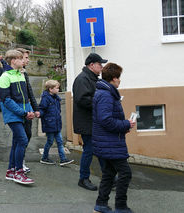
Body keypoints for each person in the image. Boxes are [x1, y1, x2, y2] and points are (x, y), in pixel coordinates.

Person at [92, 63, 135, 213]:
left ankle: (101, 204)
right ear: (114, 78)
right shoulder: (105, 95)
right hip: (109, 142)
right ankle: (121, 206)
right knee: (125, 173)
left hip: (108, 141)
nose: (120, 81)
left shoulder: (104, 92)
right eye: (119, 78)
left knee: (109, 174)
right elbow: (106, 120)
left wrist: (124, 127)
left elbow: (106, 120)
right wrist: (125, 124)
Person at [72, 53, 107, 191]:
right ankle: (83, 178)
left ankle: (108, 176)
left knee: (99, 149)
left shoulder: (91, 78)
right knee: (90, 150)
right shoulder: (82, 79)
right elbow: (82, 100)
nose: (102, 67)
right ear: (91, 65)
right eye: (100, 64)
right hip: (86, 122)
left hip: (92, 121)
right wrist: (101, 102)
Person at [0, 50, 34, 185]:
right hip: (13, 115)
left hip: (23, 114)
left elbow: (25, 98)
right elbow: (6, 100)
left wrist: (29, 111)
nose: (23, 61)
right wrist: (24, 113)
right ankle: (18, 173)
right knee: (23, 140)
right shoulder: (5, 76)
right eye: (20, 59)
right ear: (13, 60)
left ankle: (11, 171)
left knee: (16, 142)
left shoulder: (21, 74)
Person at [16, 48, 40, 173]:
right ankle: (18, 164)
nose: (28, 60)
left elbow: (29, 91)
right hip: (18, 111)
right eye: (26, 57)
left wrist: (36, 108)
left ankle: (19, 161)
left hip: (28, 109)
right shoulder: (10, 73)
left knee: (28, 135)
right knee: (21, 138)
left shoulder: (24, 73)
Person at [39, 80, 74, 166]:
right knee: (50, 141)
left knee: (59, 141)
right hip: (49, 124)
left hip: (56, 123)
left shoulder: (55, 98)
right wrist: (38, 114)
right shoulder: (46, 98)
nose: (58, 89)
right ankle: (44, 157)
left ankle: (63, 159)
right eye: (57, 88)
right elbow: (42, 109)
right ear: (51, 89)